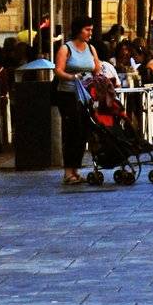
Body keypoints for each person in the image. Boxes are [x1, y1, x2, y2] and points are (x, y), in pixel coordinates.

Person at [54, 17, 101, 184]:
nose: (90, 33)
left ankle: (76, 169)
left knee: (83, 131)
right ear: (78, 30)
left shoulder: (91, 48)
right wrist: (72, 77)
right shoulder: (66, 48)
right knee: (71, 130)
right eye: (87, 29)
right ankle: (68, 172)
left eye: (91, 30)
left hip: (86, 95)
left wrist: (98, 70)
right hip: (68, 95)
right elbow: (58, 70)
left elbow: (96, 68)